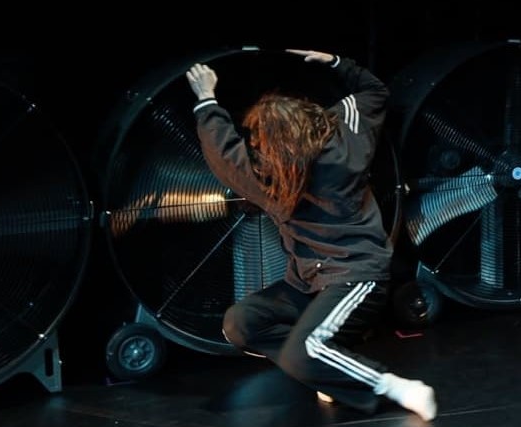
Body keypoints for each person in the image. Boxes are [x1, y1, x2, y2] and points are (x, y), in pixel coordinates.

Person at [185, 48, 437, 421]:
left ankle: (394, 386)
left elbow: (221, 151)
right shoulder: (347, 135)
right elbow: (374, 93)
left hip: (355, 276)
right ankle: (324, 366)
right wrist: (337, 63)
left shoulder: (266, 177)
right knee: (240, 323)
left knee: (300, 353)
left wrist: (206, 97)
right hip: (307, 282)